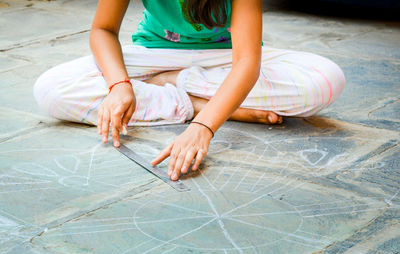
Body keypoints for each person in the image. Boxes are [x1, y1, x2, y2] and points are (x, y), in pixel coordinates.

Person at [33, 0, 345, 181]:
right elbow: (102, 30)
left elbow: (247, 62)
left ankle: (176, 83)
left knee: (326, 81)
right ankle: (194, 102)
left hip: (227, 59)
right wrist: (119, 85)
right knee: (50, 90)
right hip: (154, 54)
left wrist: (203, 128)